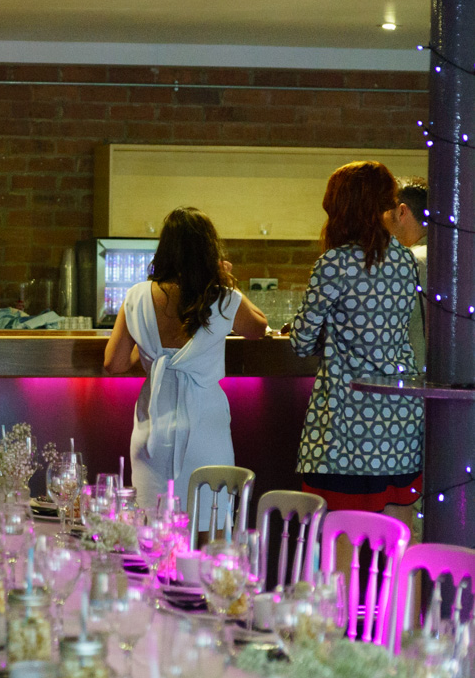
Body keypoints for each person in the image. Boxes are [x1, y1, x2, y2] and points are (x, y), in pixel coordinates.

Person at [288, 162, 423, 552]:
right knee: (399, 552)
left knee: (341, 554)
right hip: (399, 425)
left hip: (346, 431)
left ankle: (341, 616)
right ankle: (401, 616)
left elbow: (300, 342)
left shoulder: (334, 264)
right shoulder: (405, 262)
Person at [103, 207, 267, 519]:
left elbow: (114, 363)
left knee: (152, 531)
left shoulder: (137, 296)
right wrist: (223, 278)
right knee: (209, 531)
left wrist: (151, 349)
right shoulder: (222, 297)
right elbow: (258, 327)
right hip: (205, 433)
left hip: (152, 437)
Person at [385, 176, 428, 371]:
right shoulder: (454, 256)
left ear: (402, 211)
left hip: (415, 380)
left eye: (384, 210)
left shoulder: (407, 262)